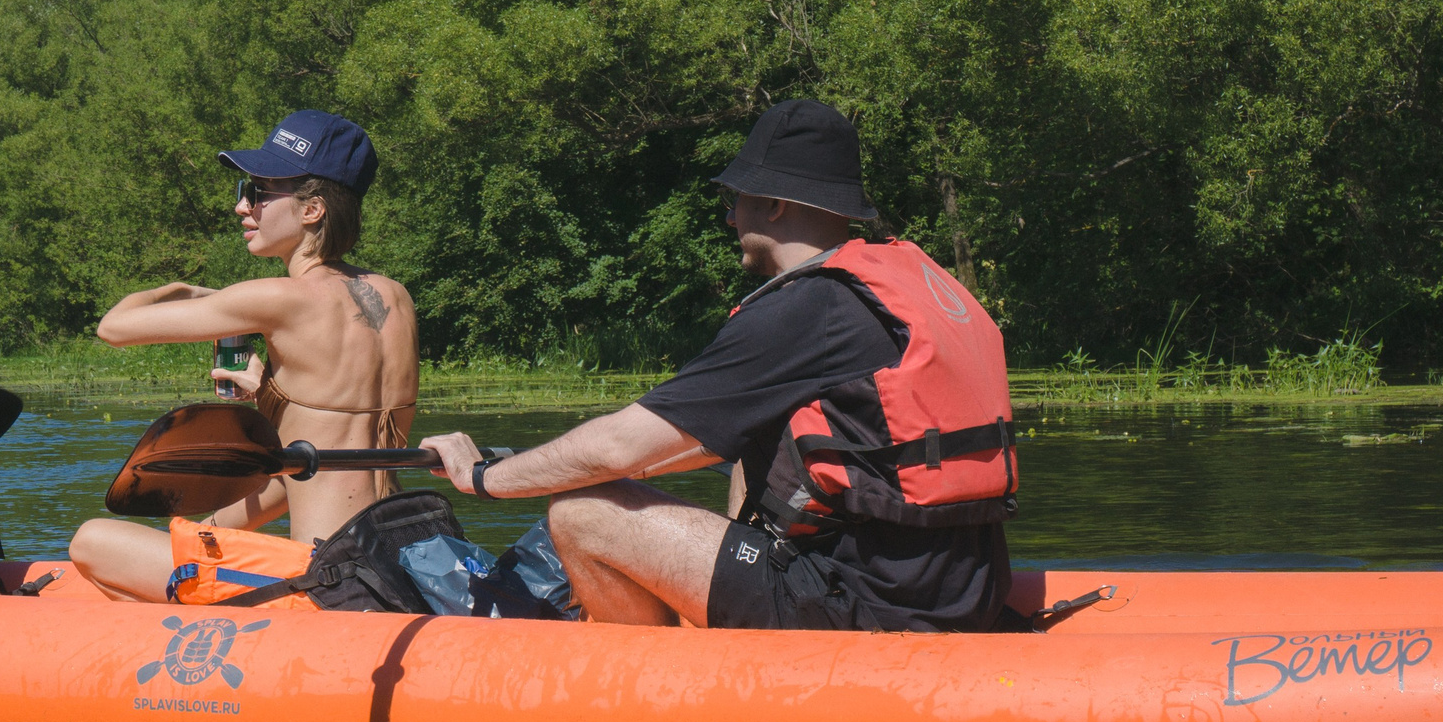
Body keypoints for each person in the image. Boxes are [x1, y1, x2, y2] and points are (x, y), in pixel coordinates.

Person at [425, 98, 1015, 633]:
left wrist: (483, 477)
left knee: (582, 512)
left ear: (775, 204)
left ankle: (651, 689)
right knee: (747, 448)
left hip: (868, 604)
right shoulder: (910, 291)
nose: (731, 218)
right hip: (960, 593)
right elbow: (690, 447)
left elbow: (619, 449)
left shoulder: (808, 309)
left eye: (736, 201)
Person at [68, 109, 417, 599]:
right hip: (394, 561)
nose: (242, 207)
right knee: (178, 543)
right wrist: (204, 530)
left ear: (313, 209)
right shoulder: (396, 298)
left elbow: (114, 327)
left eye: (257, 192)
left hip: (325, 578)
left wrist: (185, 289)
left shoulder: (277, 297)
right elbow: (314, 467)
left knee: (92, 540)